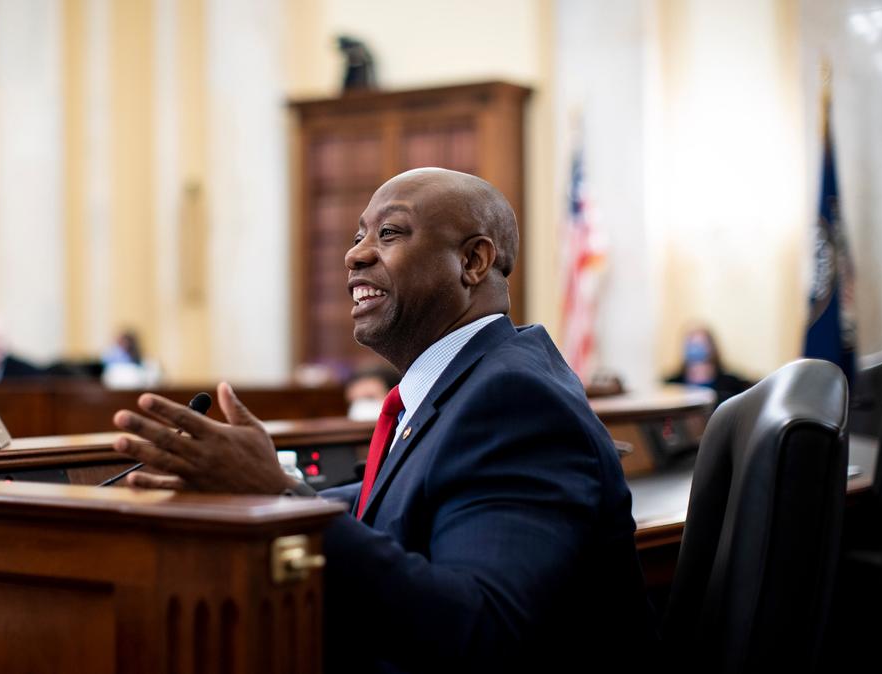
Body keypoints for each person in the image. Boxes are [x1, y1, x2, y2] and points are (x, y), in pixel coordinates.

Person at [111, 168, 656, 671]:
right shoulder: (469, 384)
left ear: (473, 262)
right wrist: (258, 488)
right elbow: (401, 500)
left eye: (390, 234)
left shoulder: (513, 401)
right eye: (357, 237)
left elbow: (482, 630)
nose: (355, 257)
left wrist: (279, 498)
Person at [665, 326, 752, 405]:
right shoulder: (671, 384)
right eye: (691, 343)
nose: (695, 348)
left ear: (712, 347)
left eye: (700, 343)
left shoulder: (732, 384)